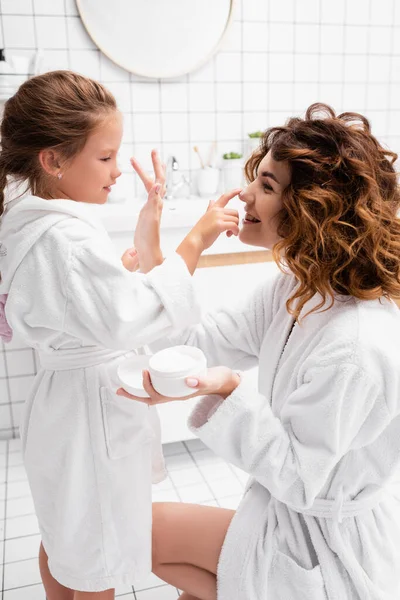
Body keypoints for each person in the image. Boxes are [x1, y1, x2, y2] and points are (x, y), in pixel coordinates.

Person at [118, 104, 400, 600]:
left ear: (314, 212)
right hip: (288, 516)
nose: (244, 193)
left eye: (267, 186)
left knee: (136, 530)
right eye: (257, 177)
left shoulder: (356, 344)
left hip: (324, 546)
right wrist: (157, 246)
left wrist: (229, 389)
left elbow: (297, 477)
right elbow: (192, 344)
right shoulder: (298, 290)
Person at [0, 70, 240, 600]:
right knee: (95, 553)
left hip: (65, 405)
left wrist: (129, 260)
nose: (115, 171)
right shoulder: (63, 239)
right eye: (104, 158)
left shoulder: (33, 223)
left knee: (68, 537)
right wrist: (196, 239)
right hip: (87, 414)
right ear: (53, 160)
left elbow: (87, 305)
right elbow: (132, 316)